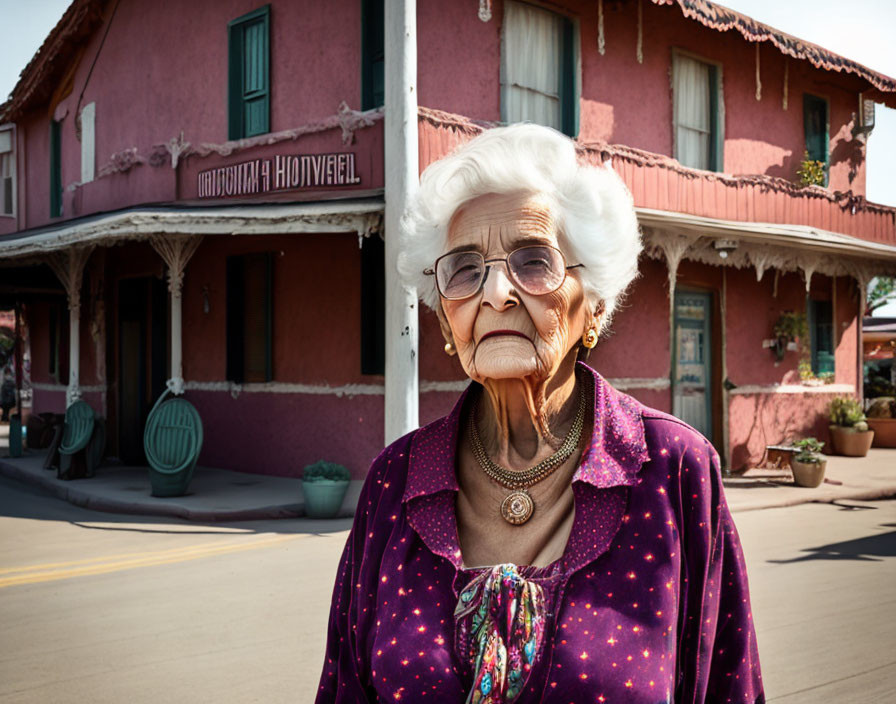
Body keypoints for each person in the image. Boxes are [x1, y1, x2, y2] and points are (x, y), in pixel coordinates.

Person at [316, 124, 763, 703]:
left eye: (533, 262)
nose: (496, 291)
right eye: (466, 269)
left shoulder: (673, 470)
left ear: (593, 304)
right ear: (447, 316)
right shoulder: (393, 482)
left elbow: (728, 686)